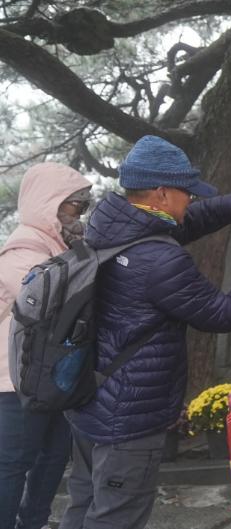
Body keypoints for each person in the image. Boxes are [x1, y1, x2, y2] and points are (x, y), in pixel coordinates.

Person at [61, 135, 231, 529]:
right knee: (115, 519)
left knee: (83, 507)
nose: (190, 201)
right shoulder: (161, 260)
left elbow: (186, 222)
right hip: (129, 419)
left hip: (92, 403)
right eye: (185, 193)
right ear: (161, 194)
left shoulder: (108, 229)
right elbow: (223, 314)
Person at [0, 163, 92, 529]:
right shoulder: (22, 250)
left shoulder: (61, 248)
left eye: (82, 207)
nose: (78, 216)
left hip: (52, 379)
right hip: (15, 383)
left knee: (53, 459)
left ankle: (32, 522)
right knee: (13, 464)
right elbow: (51, 296)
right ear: (47, 204)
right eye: (72, 206)